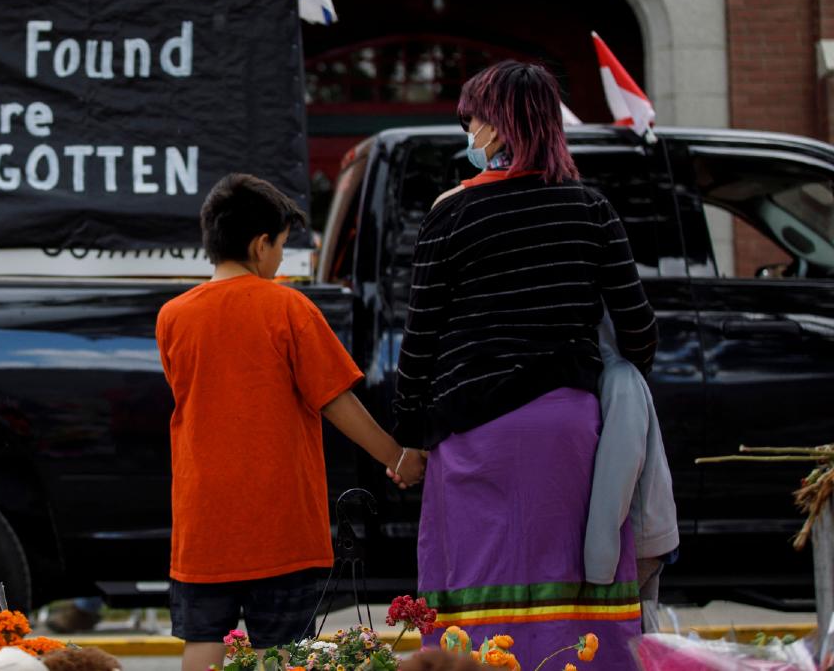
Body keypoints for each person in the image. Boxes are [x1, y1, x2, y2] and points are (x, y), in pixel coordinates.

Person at [394, 61, 658, 671]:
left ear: (500, 126)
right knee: (574, 585)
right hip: (571, 430)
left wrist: (409, 438)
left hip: (472, 435)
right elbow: (639, 329)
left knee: (480, 583)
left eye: (475, 116)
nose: (468, 127)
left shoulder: (450, 214)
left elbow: (421, 342)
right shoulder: (591, 208)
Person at [157, 173, 424, 671]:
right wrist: (397, 457)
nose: (280, 259)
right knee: (279, 654)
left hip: (204, 525)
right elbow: (336, 401)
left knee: (202, 642)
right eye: (280, 246)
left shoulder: (173, 316)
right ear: (260, 245)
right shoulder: (289, 309)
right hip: (281, 526)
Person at [584, 314, 679, 633]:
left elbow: (618, 474)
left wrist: (598, 567)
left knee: (630, 630)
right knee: (641, 628)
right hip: (646, 532)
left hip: (639, 537)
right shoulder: (617, 377)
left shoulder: (619, 379)